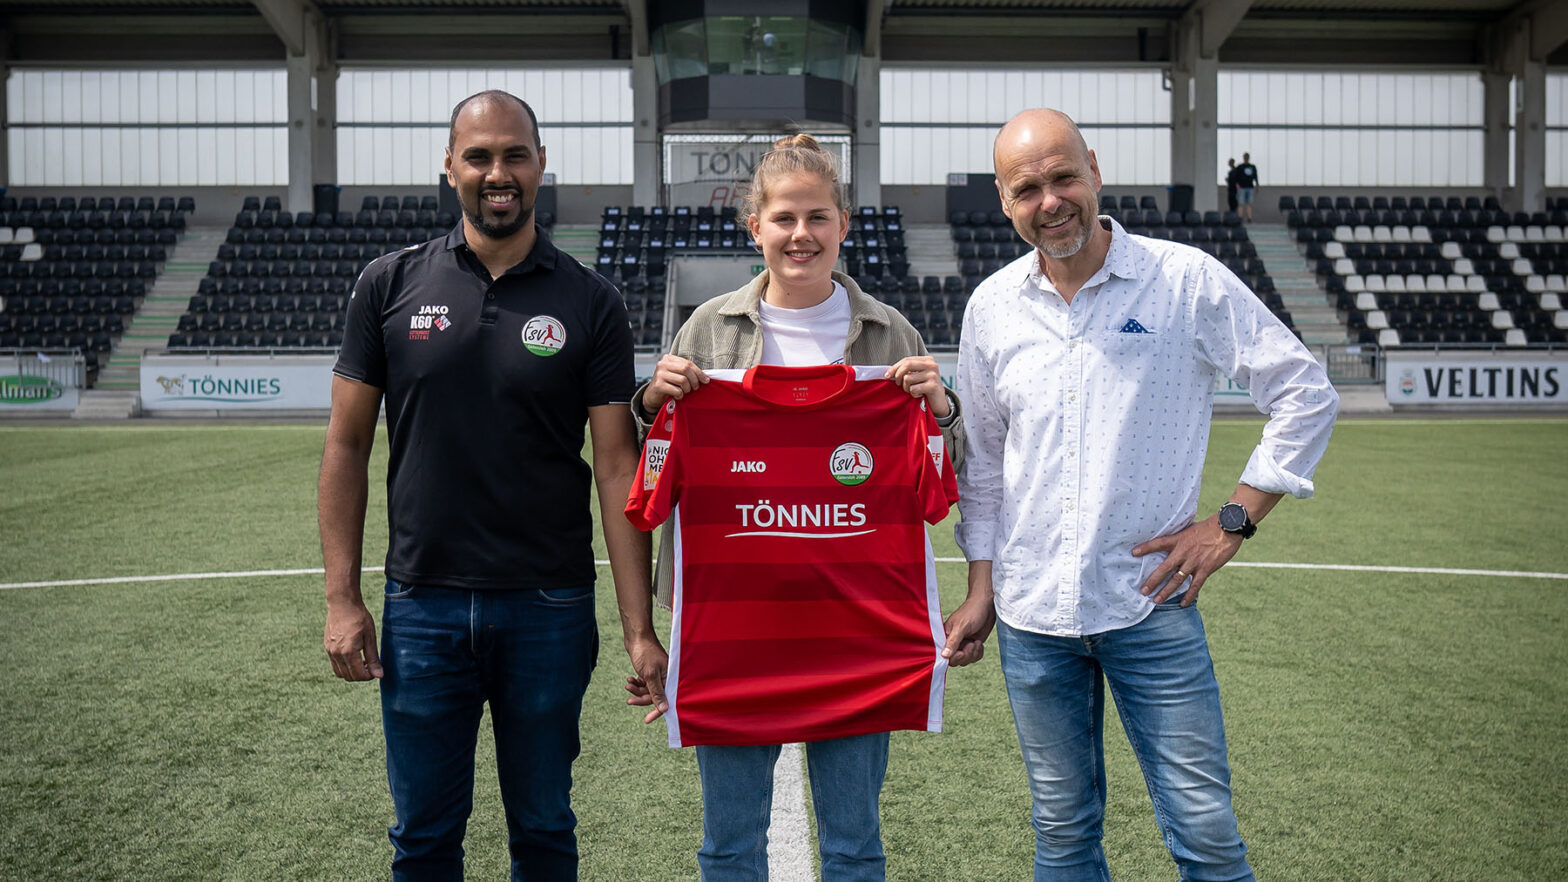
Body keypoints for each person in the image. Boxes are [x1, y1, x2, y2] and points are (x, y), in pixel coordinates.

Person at [944, 109, 1339, 881]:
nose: (1050, 201)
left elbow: (1304, 392)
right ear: (1004, 200)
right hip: (1032, 617)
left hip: (1149, 608)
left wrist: (1232, 522)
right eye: (1028, 188)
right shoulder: (991, 306)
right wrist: (979, 591)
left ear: (1094, 169)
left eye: (1063, 177)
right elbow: (984, 465)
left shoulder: (1183, 279)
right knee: (1061, 833)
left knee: (1206, 834)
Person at [618, 133, 979, 882]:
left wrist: (940, 409)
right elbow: (652, 471)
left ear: (844, 224)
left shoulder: (892, 335)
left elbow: (940, 482)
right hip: (732, 629)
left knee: (853, 848)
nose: (801, 234)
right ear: (755, 228)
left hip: (857, 629)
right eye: (784, 218)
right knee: (728, 846)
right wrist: (653, 399)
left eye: (817, 216)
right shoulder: (708, 330)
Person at [319, 89, 653, 881]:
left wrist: (638, 627)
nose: (497, 173)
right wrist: (342, 596)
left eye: (514, 155)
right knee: (424, 837)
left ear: (540, 166)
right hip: (422, 603)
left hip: (550, 607)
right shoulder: (388, 284)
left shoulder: (591, 300)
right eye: (479, 156)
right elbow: (345, 444)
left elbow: (616, 466)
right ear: (450, 167)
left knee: (542, 829)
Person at [1235, 152, 1259, 222]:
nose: (1246, 158)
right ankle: (1240, 217)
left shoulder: (1252, 167)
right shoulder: (1240, 167)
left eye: (1247, 157)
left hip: (1250, 187)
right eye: (1245, 157)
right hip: (1242, 187)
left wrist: (1257, 185)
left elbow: (1255, 176)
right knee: (1241, 203)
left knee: (1249, 203)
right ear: (1243, 158)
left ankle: (1249, 217)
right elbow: (1236, 176)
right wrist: (1237, 184)